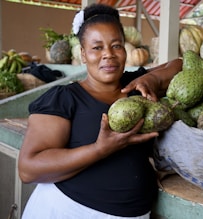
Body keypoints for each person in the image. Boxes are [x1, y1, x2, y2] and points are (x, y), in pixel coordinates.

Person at [18, 3, 182, 219]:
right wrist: (100, 149)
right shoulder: (64, 98)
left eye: (117, 46)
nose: (109, 55)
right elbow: (28, 168)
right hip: (68, 211)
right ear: (83, 54)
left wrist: (152, 78)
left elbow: (181, 64)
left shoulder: (136, 86)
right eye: (97, 48)